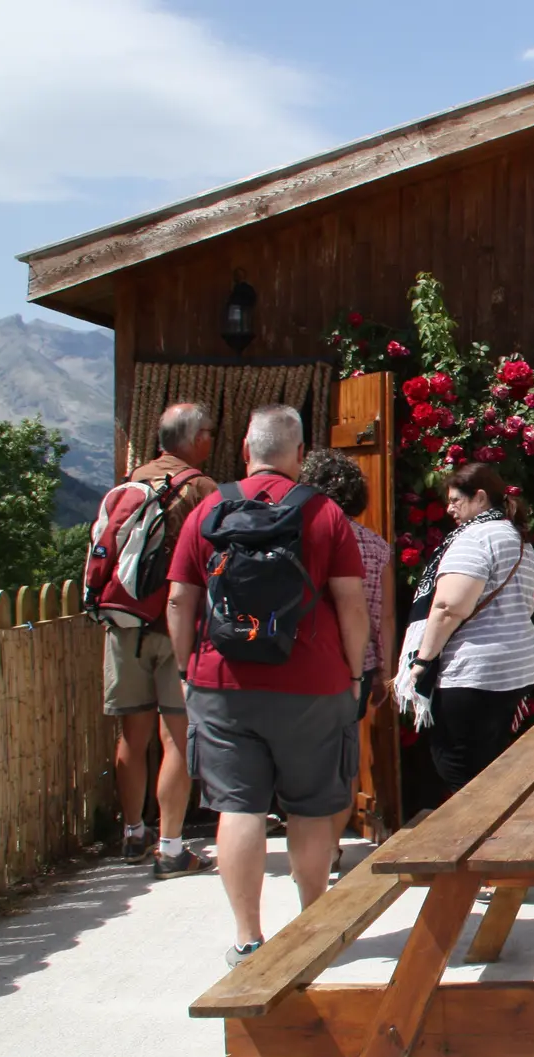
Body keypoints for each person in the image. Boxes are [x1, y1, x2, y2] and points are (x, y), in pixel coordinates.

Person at [166, 405, 369, 967]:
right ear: (300, 455)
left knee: (239, 808)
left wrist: (187, 672)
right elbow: (351, 603)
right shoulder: (325, 514)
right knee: (308, 810)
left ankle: (249, 939)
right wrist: (352, 674)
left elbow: (180, 599)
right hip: (313, 682)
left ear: (244, 450)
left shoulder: (207, 508)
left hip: (221, 682)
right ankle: (313, 931)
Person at [101, 402, 221, 877]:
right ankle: (171, 848)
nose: (212, 440)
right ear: (193, 440)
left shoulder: (126, 485)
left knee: (131, 735)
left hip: (124, 625)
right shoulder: (200, 489)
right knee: (175, 736)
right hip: (176, 629)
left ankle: (133, 834)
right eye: (209, 433)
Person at [397, 464, 534, 794]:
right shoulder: (515, 537)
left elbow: (449, 608)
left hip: (476, 671)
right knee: (489, 763)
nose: (449, 510)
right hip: (516, 666)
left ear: (479, 498)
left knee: (457, 766)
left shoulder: (474, 539)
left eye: (454, 500)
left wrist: (422, 661)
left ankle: (476, 841)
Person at [297, 448, 393, 849]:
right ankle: (331, 845)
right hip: (357, 666)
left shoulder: (298, 535)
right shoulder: (376, 546)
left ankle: (306, 845)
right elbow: (383, 619)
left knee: (299, 759)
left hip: (299, 662)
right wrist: (386, 671)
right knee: (344, 761)